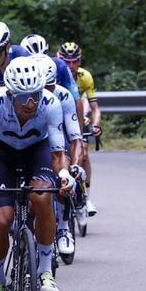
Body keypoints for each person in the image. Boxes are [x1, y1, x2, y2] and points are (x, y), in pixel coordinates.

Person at [0, 57, 76, 291]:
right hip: (3, 153)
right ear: (10, 94)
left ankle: (44, 271)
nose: (30, 104)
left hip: (37, 150)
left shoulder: (50, 102)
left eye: (34, 96)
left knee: (43, 197)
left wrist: (64, 173)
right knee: (2, 218)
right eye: (23, 98)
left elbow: (57, 153)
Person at [34, 55, 85, 257]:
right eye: (43, 88)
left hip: (57, 136)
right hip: (34, 141)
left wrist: (74, 164)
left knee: (63, 176)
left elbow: (74, 137)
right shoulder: (25, 97)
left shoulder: (63, 96)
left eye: (51, 87)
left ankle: (63, 227)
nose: (48, 93)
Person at [58, 41, 101, 216]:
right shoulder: (54, 72)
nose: (71, 65)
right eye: (66, 61)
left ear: (80, 61)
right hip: (58, 115)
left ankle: (87, 196)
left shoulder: (85, 77)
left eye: (75, 61)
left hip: (78, 116)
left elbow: (95, 108)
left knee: (83, 151)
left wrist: (96, 124)